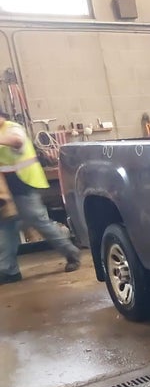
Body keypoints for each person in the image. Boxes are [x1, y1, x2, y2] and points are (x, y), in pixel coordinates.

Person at [0, 112, 80, 284]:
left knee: (38, 221)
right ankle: (9, 271)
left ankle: (71, 253)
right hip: (5, 190)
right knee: (5, 228)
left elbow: (17, 141)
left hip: (23, 183)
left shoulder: (13, 128)